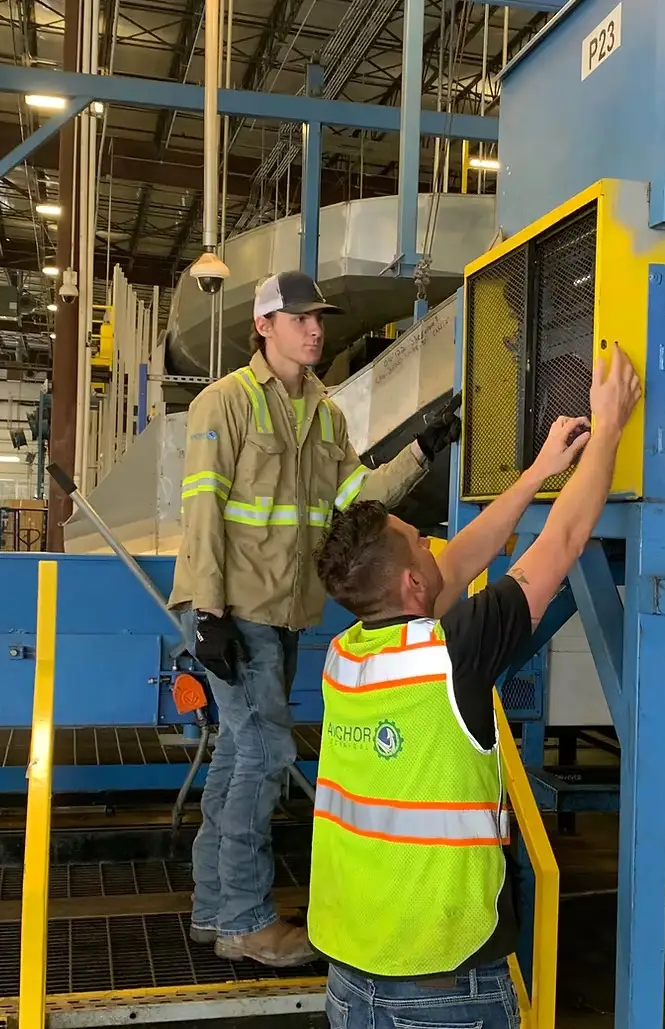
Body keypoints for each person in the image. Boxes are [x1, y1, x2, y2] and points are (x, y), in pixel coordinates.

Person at [307, 345, 642, 1029]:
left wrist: (540, 470)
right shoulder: (451, 652)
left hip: (349, 978)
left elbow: (458, 560)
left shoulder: (345, 657)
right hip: (442, 985)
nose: (436, 544)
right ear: (409, 585)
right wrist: (608, 425)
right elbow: (565, 537)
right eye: (420, 542)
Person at [169, 270, 463, 967]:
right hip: (234, 609)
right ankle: (244, 919)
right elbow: (202, 509)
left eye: (318, 319)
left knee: (239, 757)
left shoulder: (326, 414)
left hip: (285, 610)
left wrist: (422, 445)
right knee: (266, 757)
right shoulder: (225, 402)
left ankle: (216, 910)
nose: (314, 329)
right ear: (263, 326)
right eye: (298, 318)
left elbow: (353, 505)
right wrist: (208, 611)